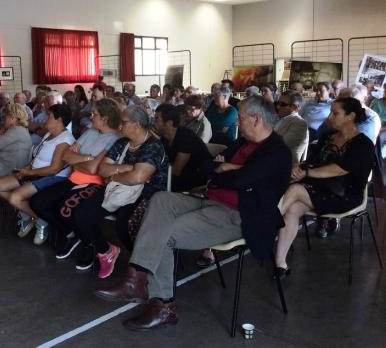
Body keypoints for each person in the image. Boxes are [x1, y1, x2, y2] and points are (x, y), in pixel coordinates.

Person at [94, 96, 292, 330]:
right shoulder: (242, 144)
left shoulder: (277, 152)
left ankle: (163, 304)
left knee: (164, 234)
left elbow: (241, 179)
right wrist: (229, 170)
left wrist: (230, 170)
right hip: (209, 201)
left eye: (241, 117)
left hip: (240, 216)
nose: (237, 122)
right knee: (161, 200)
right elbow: (207, 167)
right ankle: (137, 277)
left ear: (257, 119)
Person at [275, 97, 375, 273]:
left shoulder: (363, 144)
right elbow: (313, 161)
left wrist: (306, 173)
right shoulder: (327, 136)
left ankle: (266, 224)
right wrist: (299, 169)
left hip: (344, 195)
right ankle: (280, 263)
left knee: (296, 189)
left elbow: (339, 170)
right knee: (293, 208)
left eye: (335, 113)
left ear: (350, 116)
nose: (329, 117)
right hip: (318, 188)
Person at [72, 105, 167, 279]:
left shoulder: (153, 146)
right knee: (81, 214)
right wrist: (126, 168)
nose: (119, 126)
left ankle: (144, 265)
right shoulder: (122, 142)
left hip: (146, 194)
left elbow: (138, 178)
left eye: (123, 122)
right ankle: (106, 251)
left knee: (125, 222)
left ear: (137, 124)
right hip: (117, 190)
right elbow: (102, 169)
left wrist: (115, 175)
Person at [30, 98, 122, 269]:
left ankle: (89, 244)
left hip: (96, 185)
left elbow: (94, 169)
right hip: (74, 179)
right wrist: (87, 159)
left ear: (105, 119)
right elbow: (66, 156)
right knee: (38, 202)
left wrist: (79, 160)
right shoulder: (90, 132)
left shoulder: (115, 139)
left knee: (68, 209)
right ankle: (71, 234)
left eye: (94, 114)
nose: (90, 116)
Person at [0, 104, 75, 245]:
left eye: (48, 115)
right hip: (35, 173)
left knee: (15, 198)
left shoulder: (65, 140)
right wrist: (25, 169)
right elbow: (37, 158)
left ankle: (40, 220)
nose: (45, 118)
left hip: (51, 178)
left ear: (59, 120)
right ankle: (34, 216)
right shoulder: (49, 134)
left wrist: (28, 172)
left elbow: (54, 169)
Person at [155, 104, 211, 192]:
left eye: (157, 119)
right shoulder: (164, 138)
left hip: (197, 181)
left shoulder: (185, 136)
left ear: (169, 123)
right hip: (180, 178)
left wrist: (150, 168)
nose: (154, 123)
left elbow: (176, 170)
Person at [274, 91, 309, 165]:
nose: (278, 107)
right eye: (278, 103)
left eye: (282, 104)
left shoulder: (299, 123)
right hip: (271, 157)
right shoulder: (277, 117)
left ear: (295, 107)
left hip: (283, 163)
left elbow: (280, 145)